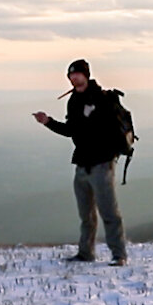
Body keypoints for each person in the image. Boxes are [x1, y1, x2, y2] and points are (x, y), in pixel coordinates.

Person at [32, 59, 129, 265]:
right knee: (86, 215)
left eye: (77, 74)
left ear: (86, 75)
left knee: (109, 212)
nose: (73, 78)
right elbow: (71, 130)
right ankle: (86, 253)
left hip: (102, 163)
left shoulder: (102, 98)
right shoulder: (74, 101)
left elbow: (107, 128)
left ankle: (119, 255)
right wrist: (47, 121)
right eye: (70, 76)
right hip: (82, 163)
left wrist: (90, 117)